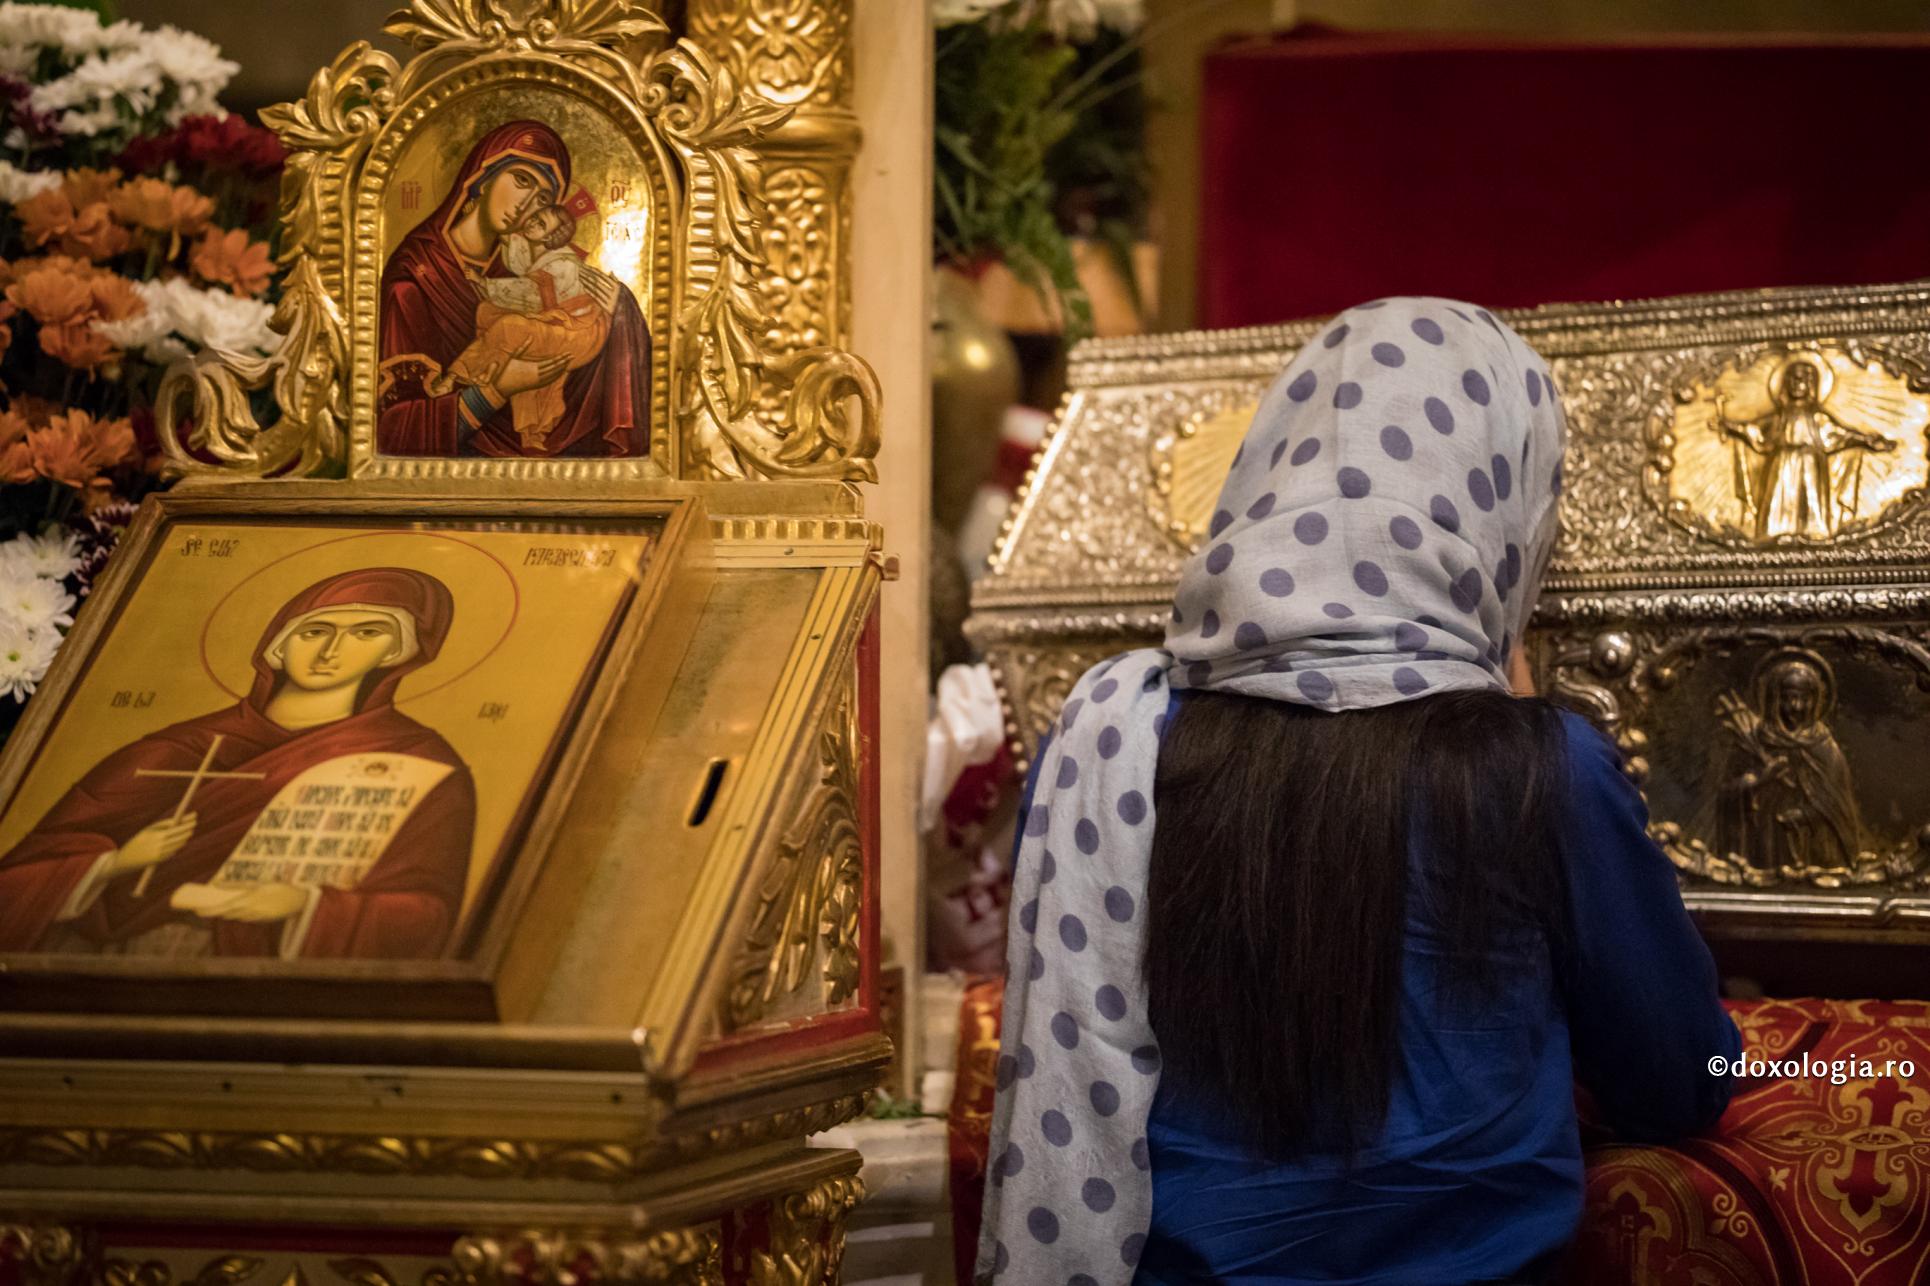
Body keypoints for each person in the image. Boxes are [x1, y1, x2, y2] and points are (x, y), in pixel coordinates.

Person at [979, 299, 1740, 1284]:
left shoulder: (1115, 737)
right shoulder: (1538, 770)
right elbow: (1682, 1078)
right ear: (1505, 507)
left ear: (1262, 479)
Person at [0, 568, 477, 960]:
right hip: (92, 972)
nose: (332, 651)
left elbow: (424, 912)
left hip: (249, 979)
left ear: (396, 651)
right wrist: (111, 864)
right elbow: (19, 879)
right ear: (278, 645)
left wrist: (305, 904)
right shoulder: (172, 750)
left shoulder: (416, 763)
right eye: (313, 631)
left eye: (366, 633)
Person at [377, 119, 650, 459]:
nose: (526, 205)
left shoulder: (520, 270)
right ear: (484, 173)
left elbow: (572, 364)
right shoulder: (415, 278)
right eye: (522, 180)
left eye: (543, 198)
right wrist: (497, 390)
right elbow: (393, 433)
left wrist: (619, 315)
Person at [432, 200, 621, 453]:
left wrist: (484, 283)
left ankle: (456, 377)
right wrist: (492, 228)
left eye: (541, 224)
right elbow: (519, 261)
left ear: (552, 237)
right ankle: (531, 433)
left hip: (579, 333)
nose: (532, 222)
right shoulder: (541, 252)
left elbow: (530, 294)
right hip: (557, 322)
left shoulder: (562, 265)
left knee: (511, 328)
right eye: (536, 217)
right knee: (487, 313)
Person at [1714, 355, 1894, 540]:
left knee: (1811, 501)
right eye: (1792, 378)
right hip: (1781, 464)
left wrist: (1867, 440)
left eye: (1802, 379)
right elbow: (1754, 430)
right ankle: (1771, 536)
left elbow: (1840, 435)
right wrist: (1728, 426)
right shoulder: (1779, 416)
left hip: (1810, 464)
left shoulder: (1816, 417)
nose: (1796, 383)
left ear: (1811, 384)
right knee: (1777, 500)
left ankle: (1815, 535)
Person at [1717, 650, 1862, 872]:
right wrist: (1758, 780)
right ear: (1775, 698)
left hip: (1811, 844)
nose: (1796, 706)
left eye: (1804, 699)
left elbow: (1839, 809)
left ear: (1815, 701)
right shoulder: (1753, 741)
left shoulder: (1824, 746)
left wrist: (1805, 815)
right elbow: (1726, 795)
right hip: (1764, 839)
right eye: (1788, 698)